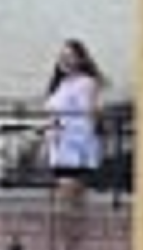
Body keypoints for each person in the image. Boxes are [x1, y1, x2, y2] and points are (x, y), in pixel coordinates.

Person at [43, 39, 105, 208]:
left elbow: (89, 112)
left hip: (75, 143)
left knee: (69, 190)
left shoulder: (86, 83)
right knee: (66, 192)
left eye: (70, 56)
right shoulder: (61, 84)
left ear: (80, 59)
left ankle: (73, 228)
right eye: (62, 56)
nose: (65, 60)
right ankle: (72, 228)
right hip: (59, 143)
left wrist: (86, 142)